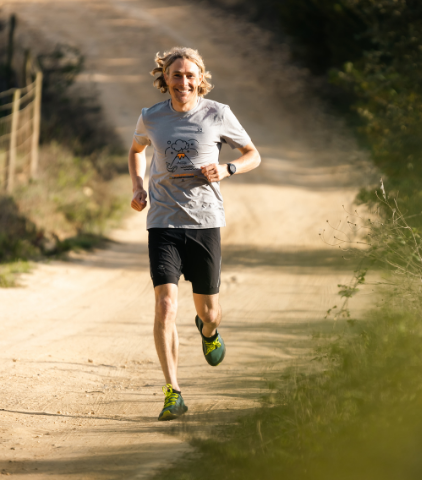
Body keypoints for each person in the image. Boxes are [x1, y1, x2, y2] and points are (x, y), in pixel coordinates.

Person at [127, 47, 261, 421]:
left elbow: (253, 154)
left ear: (200, 78)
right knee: (165, 305)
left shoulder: (218, 113)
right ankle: (173, 393)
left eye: (190, 75)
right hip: (163, 223)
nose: (183, 82)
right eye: (176, 74)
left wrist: (229, 168)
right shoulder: (151, 117)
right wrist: (138, 186)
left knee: (211, 312)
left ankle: (209, 331)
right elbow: (136, 150)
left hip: (205, 222)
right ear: (165, 78)